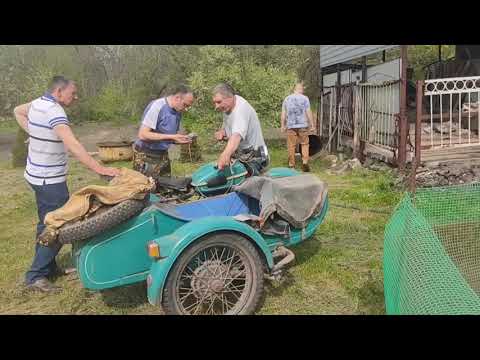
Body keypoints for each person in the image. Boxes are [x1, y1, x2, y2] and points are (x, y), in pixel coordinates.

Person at [13, 75, 120, 293]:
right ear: (58, 92)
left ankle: (48, 267)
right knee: (59, 225)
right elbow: (72, 143)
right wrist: (100, 169)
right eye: (73, 93)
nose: (76, 96)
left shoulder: (37, 103)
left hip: (35, 175)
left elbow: (17, 110)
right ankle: (35, 276)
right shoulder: (54, 111)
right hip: (48, 179)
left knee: (46, 221)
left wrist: (35, 133)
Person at [133, 85, 194, 180]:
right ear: (177, 97)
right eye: (185, 105)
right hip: (146, 155)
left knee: (166, 188)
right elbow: (143, 134)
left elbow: (167, 137)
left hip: (163, 155)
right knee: (147, 190)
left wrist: (178, 139)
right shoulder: (157, 106)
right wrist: (172, 136)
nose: (186, 109)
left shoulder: (178, 111)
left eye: (188, 106)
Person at [213, 83, 269, 176]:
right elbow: (229, 125)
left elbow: (236, 136)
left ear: (230, 97)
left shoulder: (241, 109)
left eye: (219, 102)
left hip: (255, 158)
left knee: (248, 186)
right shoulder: (227, 107)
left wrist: (225, 154)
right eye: (215, 102)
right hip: (242, 155)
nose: (216, 106)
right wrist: (223, 131)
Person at [281, 82, 314, 172]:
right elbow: (308, 112)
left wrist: (282, 125)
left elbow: (283, 114)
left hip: (291, 126)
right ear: (300, 89)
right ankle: (304, 162)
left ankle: (291, 165)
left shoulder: (287, 99)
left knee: (291, 145)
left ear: (294, 89)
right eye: (302, 89)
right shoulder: (305, 98)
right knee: (304, 144)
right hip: (303, 125)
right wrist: (312, 125)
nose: (303, 91)